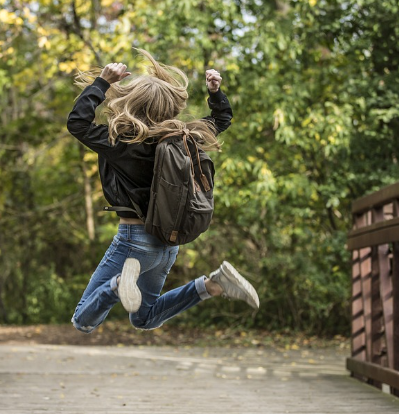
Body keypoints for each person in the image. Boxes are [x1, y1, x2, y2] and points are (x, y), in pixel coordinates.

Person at [67, 49, 259, 333]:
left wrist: (102, 82)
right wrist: (215, 93)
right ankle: (213, 285)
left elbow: (78, 123)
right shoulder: (184, 138)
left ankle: (119, 285)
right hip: (167, 244)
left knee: (83, 320)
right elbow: (221, 121)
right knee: (144, 318)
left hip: (133, 242)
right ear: (169, 106)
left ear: (131, 102)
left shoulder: (119, 141)